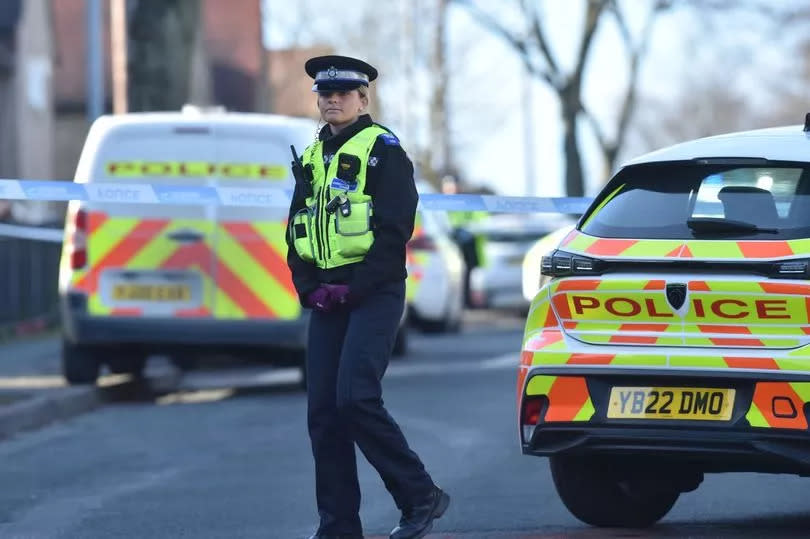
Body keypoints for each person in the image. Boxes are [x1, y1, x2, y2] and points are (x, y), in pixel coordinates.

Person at [286, 54, 450, 539]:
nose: (332, 99)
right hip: (327, 297)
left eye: (342, 93)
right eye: (324, 93)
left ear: (363, 98)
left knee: (356, 397)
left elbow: (395, 230)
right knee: (324, 414)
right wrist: (309, 287)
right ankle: (338, 527)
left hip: (373, 292)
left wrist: (353, 289)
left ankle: (421, 496)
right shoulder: (313, 156)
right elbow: (296, 228)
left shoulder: (384, 151)